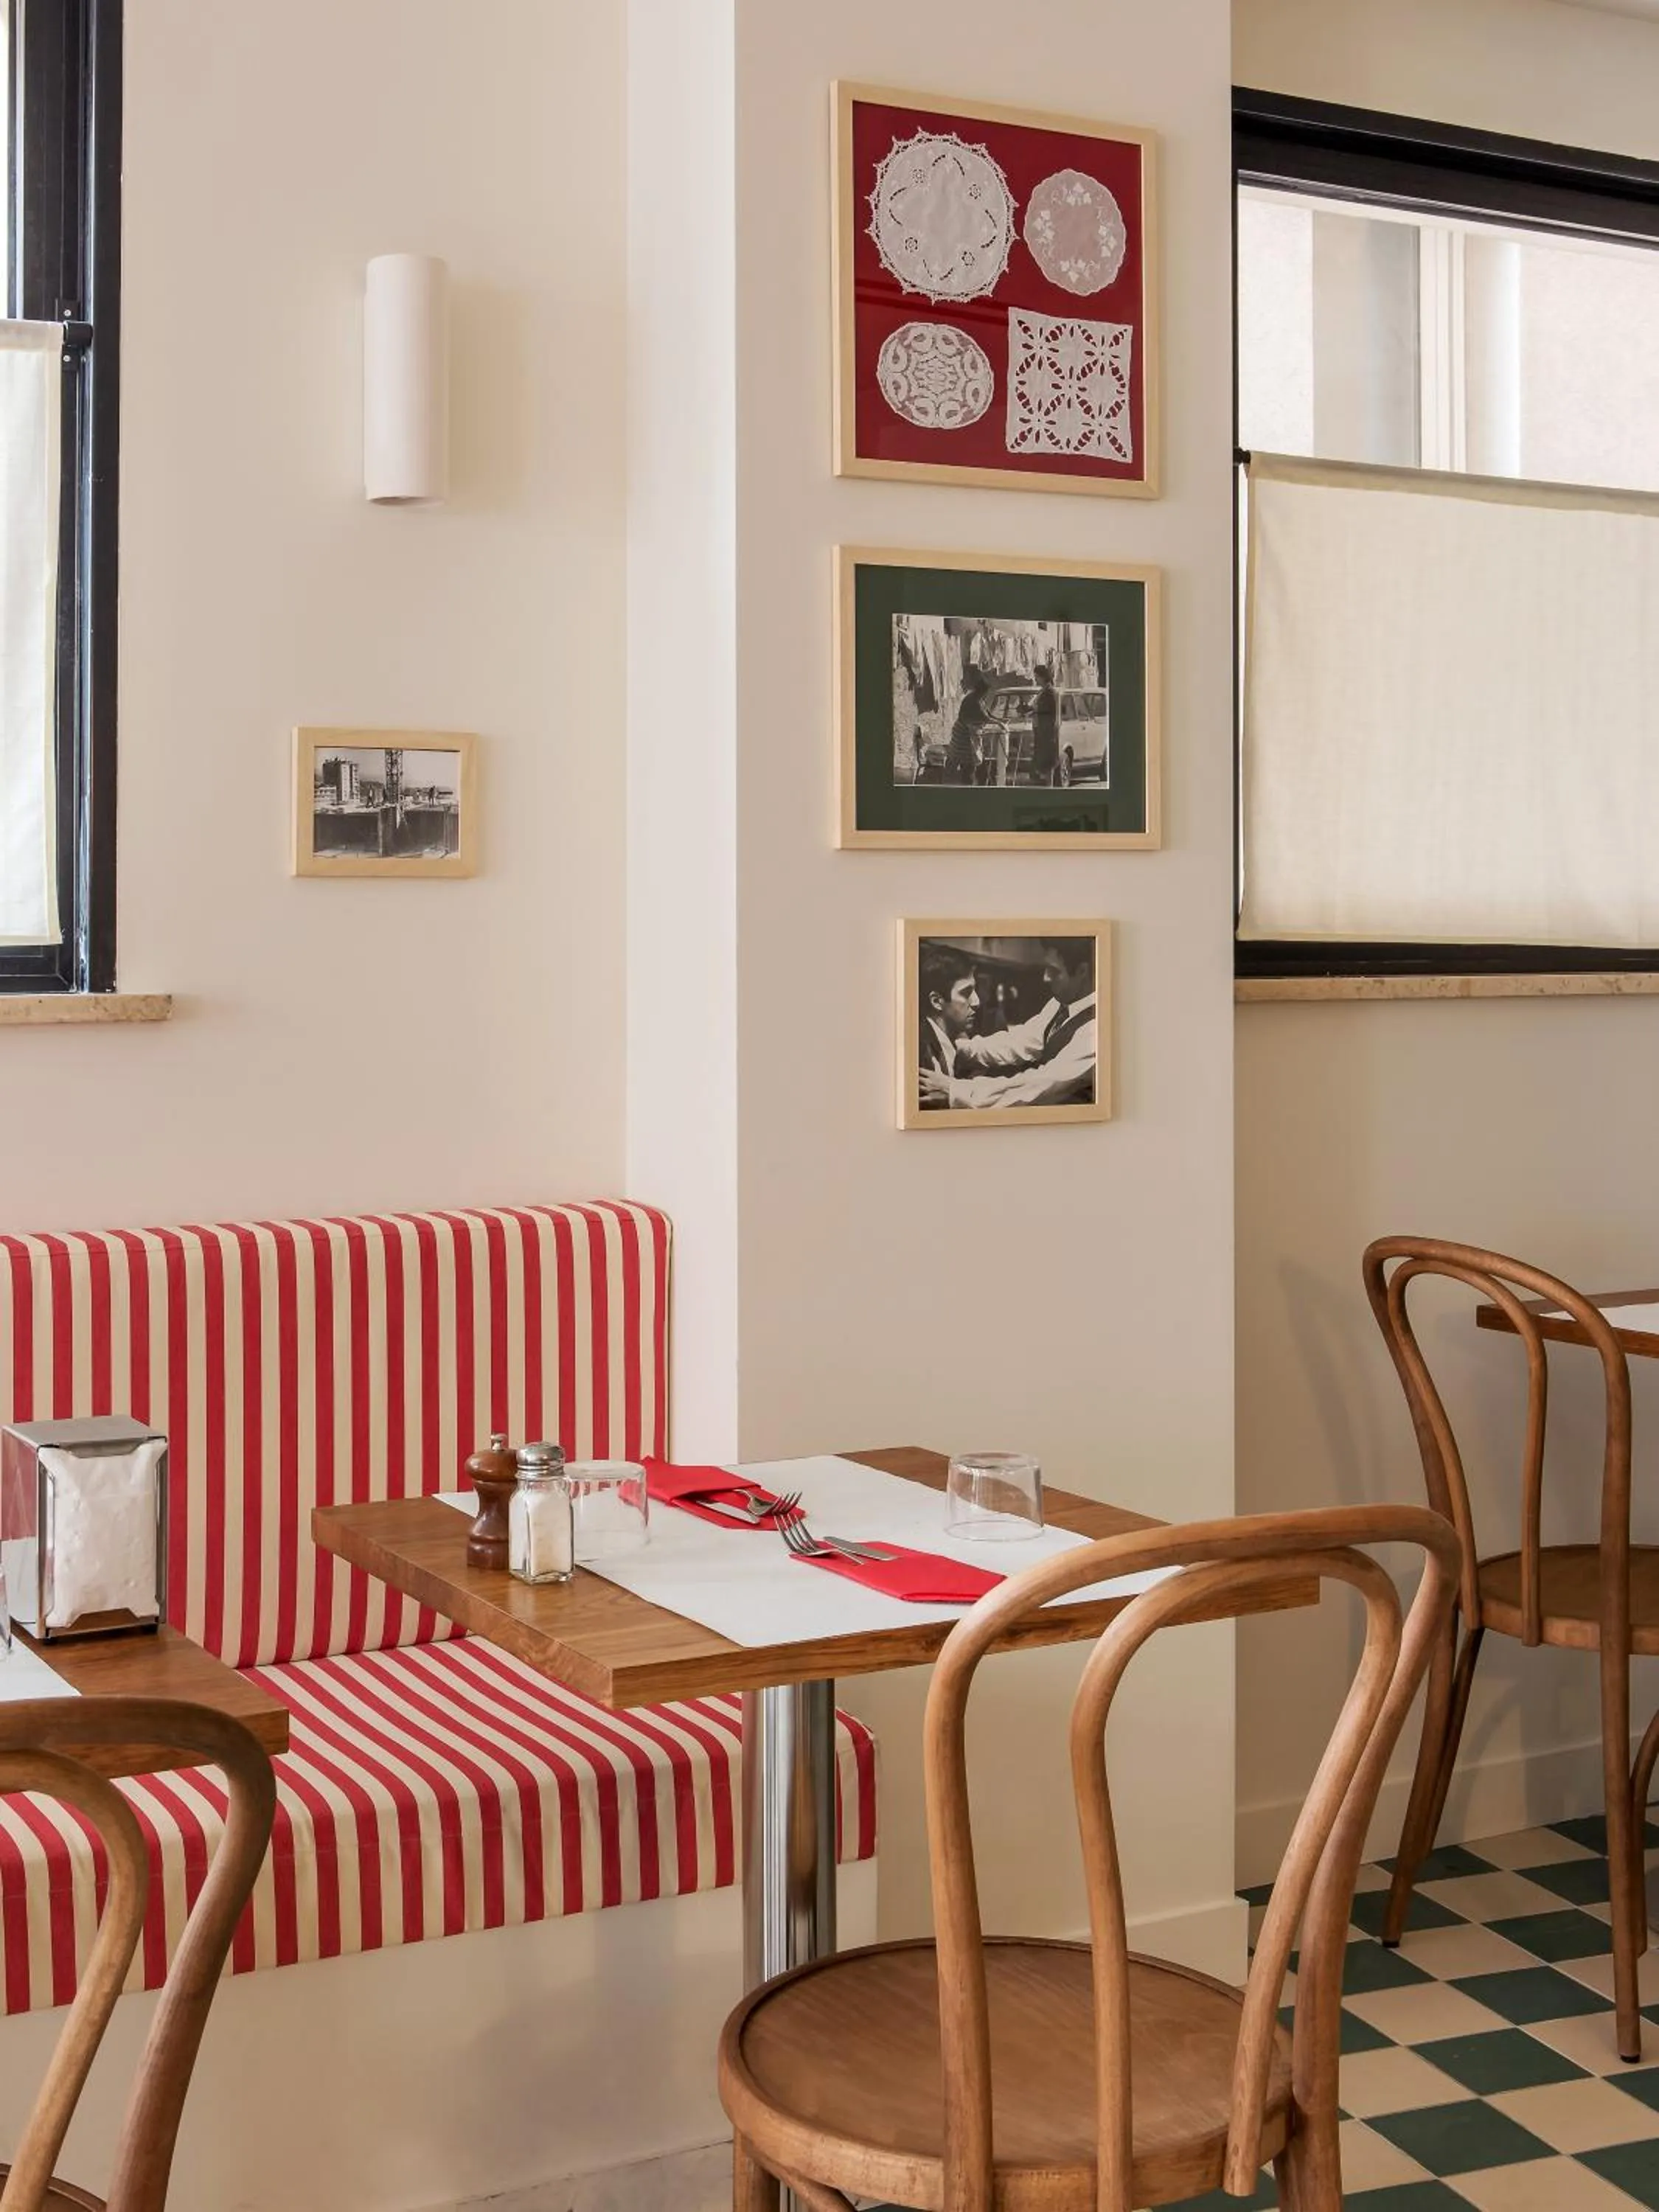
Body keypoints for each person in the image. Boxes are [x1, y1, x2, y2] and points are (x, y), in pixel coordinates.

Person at [919, 941, 1098, 1112]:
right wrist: (961, 1049)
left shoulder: (1098, 1030)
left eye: (1054, 971)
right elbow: (1018, 1043)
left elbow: (1041, 1085)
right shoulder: (1060, 1004)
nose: (1045, 977)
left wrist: (957, 1092)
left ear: (1082, 971)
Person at [944, 666, 992, 786]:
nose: (986, 695)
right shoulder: (972, 700)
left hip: (969, 732)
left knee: (972, 761)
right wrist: (995, 722)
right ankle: (967, 787)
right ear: (981, 691)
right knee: (968, 763)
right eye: (985, 693)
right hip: (964, 733)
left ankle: (971, 783)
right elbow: (982, 717)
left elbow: (986, 714)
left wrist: (994, 720)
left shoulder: (978, 699)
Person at [1028, 661, 1061, 787]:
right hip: (1041, 731)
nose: (1035, 679)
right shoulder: (1042, 691)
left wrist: (1035, 712)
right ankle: (1047, 786)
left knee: (1048, 764)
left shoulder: (1050, 692)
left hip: (1047, 732)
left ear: (1042, 677)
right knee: (1043, 763)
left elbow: (1049, 712)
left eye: (1036, 677)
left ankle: (1049, 788)